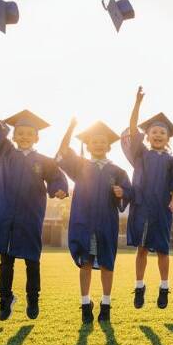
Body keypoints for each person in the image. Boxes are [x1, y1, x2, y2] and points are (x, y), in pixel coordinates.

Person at [0, 81, 68, 320]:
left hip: (30, 215)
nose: (24, 136)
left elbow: (57, 176)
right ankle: (5, 299)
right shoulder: (5, 152)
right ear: (13, 136)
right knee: (6, 263)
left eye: (29, 134)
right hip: (5, 214)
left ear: (36, 137)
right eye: (20, 133)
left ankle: (32, 299)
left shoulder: (44, 161)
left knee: (32, 261)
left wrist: (59, 190)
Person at [56, 118, 132, 323]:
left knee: (107, 264)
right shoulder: (80, 166)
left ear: (108, 146)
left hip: (107, 223)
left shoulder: (117, 171)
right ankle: (85, 304)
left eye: (102, 141)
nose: (98, 144)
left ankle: (106, 305)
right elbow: (62, 152)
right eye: (94, 141)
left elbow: (129, 191)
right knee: (86, 264)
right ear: (87, 145)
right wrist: (71, 128)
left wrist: (121, 191)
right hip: (84, 223)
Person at [122, 86, 173, 310]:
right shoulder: (141, 154)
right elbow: (132, 129)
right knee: (141, 248)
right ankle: (139, 287)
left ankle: (164, 287)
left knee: (162, 250)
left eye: (162, 133)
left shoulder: (171, 161)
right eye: (154, 132)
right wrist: (137, 104)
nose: (158, 135)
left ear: (168, 137)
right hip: (141, 206)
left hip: (161, 208)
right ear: (147, 136)